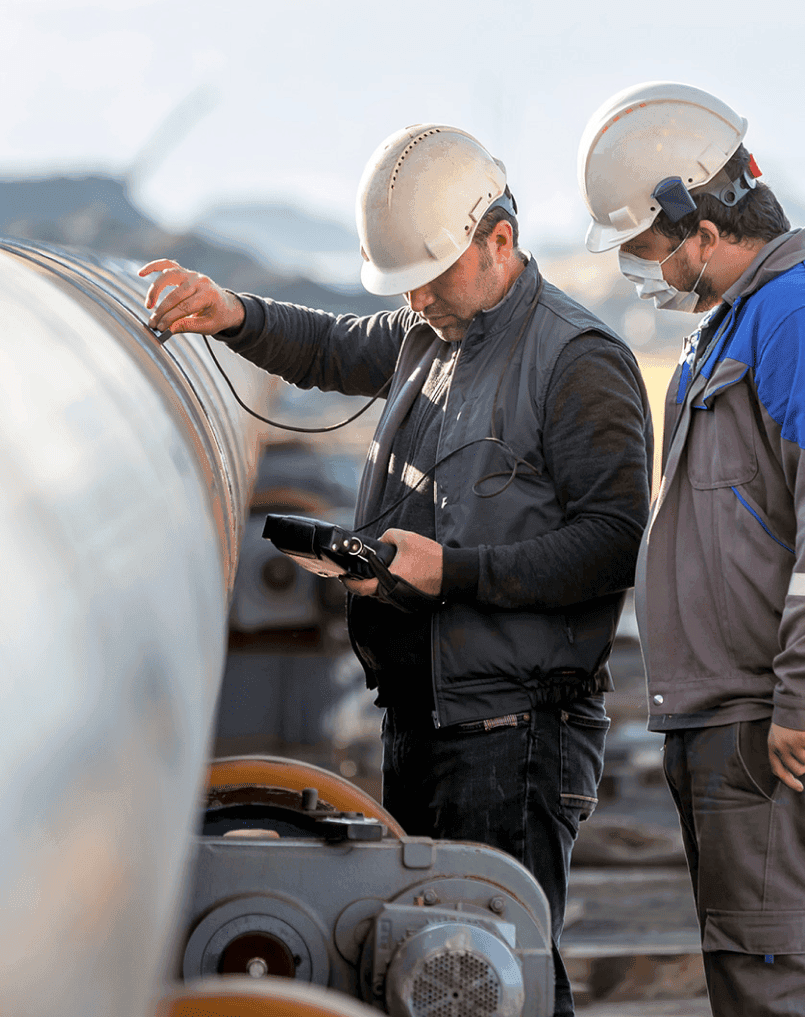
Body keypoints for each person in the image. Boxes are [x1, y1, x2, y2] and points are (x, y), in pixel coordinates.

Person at [142, 124, 653, 1017]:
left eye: (430, 275)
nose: (415, 297)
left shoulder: (579, 362)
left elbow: (613, 543)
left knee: (498, 975)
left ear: (499, 241)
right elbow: (334, 345)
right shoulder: (434, 331)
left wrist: (453, 571)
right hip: (426, 715)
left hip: (513, 733)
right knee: (441, 973)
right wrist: (233, 313)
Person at [579, 81, 805, 1016]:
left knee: (785, 987)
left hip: (778, 731)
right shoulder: (737, 321)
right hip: (732, 722)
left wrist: (804, 699)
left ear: (698, 224)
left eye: (645, 246)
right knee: (756, 979)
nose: (642, 269)